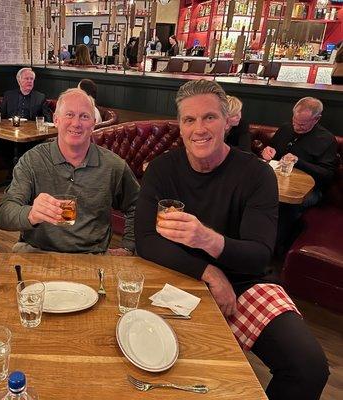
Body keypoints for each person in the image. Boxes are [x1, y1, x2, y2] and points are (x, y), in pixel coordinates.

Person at [135, 80, 328, 400]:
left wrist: (207, 239)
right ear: (180, 127)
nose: (199, 128)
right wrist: (209, 273)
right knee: (166, 365)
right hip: (179, 274)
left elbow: (258, 255)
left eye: (209, 117)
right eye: (189, 120)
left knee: (308, 367)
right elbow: (145, 240)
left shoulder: (256, 174)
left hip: (247, 282)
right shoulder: (161, 169)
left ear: (228, 121)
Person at [0, 88, 139, 255]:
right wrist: (31, 214)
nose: (76, 123)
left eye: (84, 116)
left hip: (92, 256)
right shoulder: (32, 160)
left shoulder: (113, 165)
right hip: (37, 253)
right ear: (56, 120)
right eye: (69, 115)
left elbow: (137, 206)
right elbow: (4, 214)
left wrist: (128, 247)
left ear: (94, 123)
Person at [261, 97, 337, 252]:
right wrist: (267, 151)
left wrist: (299, 161)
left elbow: (327, 174)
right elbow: (273, 151)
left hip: (310, 191)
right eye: (295, 120)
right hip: (278, 182)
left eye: (302, 124)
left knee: (286, 206)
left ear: (316, 119)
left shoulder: (327, 139)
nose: (296, 126)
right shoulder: (285, 128)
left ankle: (272, 251)